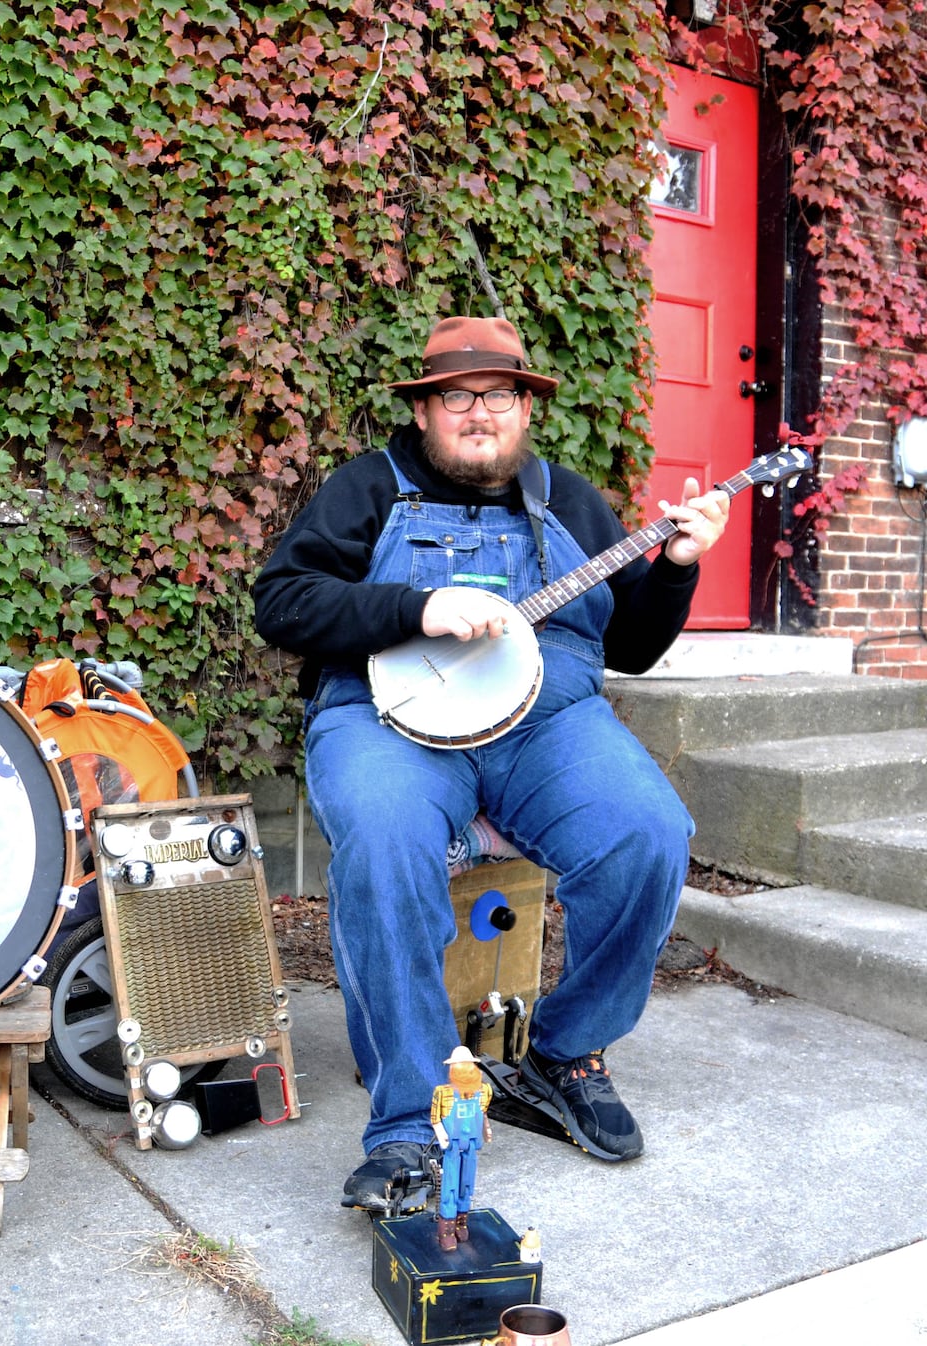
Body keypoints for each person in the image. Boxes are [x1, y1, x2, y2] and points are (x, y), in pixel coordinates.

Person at [252, 315, 730, 1212]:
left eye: (499, 395)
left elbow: (631, 647)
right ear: (425, 410)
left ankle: (562, 1051)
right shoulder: (367, 490)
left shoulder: (570, 502)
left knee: (649, 831)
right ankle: (409, 1123)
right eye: (457, 396)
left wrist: (675, 567)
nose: (481, 413)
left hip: (546, 723)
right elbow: (282, 602)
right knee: (386, 840)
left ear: (524, 408)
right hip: (388, 719)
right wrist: (412, 608)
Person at [430, 1045, 491, 1251]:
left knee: (467, 1185)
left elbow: (482, 1114)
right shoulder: (443, 1094)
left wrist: (486, 1130)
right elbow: (435, 1120)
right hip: (453, 1147)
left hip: (471, 1145)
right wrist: (442, 1137)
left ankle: (461, 1221)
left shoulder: (483, 1091)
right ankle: (446, 1230)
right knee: (450, 1187)